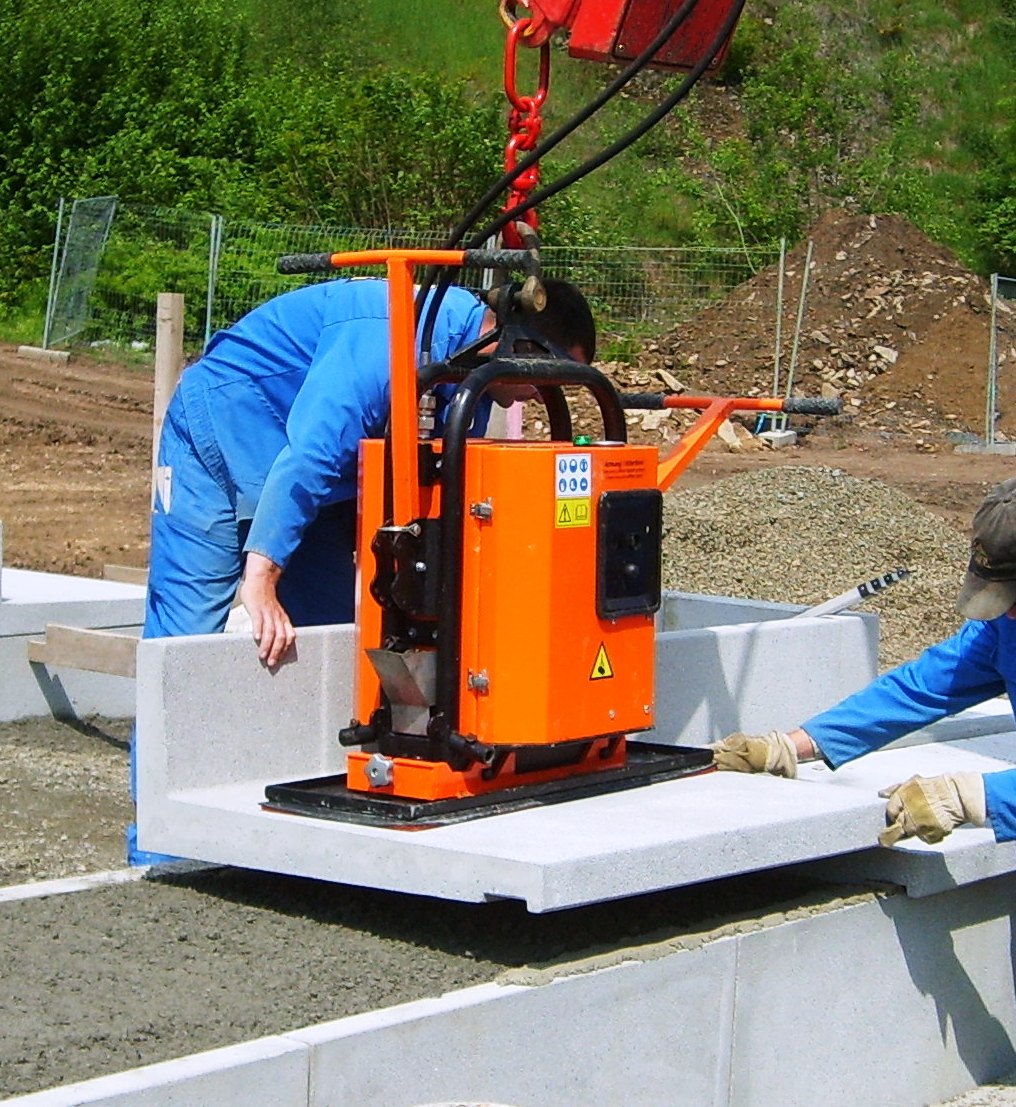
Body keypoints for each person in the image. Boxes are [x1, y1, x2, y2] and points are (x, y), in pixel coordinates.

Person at [143, 275, 596, 668]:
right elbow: (313, 454)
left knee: (332, 639)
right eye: (549, 377)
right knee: (184, 639)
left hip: (317, 484)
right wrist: (260, 579)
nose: (545, 395)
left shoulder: (472, 377)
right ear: (520, 343)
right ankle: (160, 744)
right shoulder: (389, 336)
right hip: (219, 431)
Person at [710, 476, 1016, 848]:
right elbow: (925, 687)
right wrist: (794, 745)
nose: (1008, 613)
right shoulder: (1006, 628)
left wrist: (974, 797)